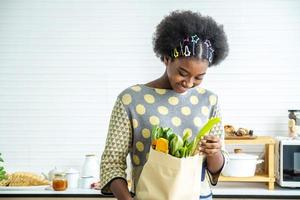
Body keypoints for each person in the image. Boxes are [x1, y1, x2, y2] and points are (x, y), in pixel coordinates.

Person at [100, 10, 229, 200]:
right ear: (166, 58)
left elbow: (216, 168)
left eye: (199, 77)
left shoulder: (209, 101)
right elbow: (111, 163)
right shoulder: (131, 100)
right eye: (183, 73)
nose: (189, 82)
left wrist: (215, 151)